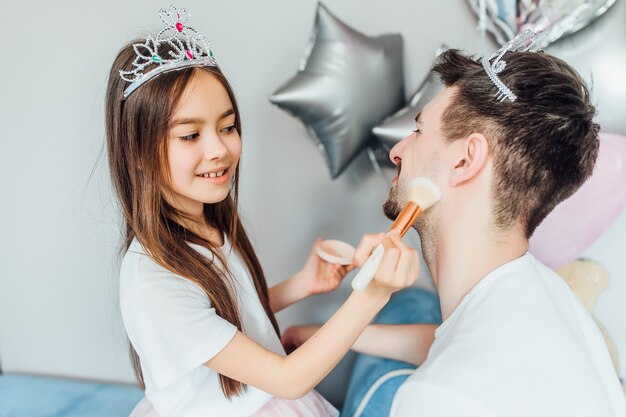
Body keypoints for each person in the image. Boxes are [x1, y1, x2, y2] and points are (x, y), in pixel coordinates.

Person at [284, 32, 626, 417]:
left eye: (418, 131)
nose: (397, 151)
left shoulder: (435, 399)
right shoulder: (548, 294)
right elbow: (451, 340)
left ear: (465, 161)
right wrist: (338, 337)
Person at [105, 5, 420, 417]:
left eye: (228, 126)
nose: (219, 149)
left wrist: (301, 285)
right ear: (138, 153)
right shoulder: (152, 282)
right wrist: (372, 293)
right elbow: (288, 378)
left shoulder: (202, 223)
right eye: (190, 135)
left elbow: (223, 316)